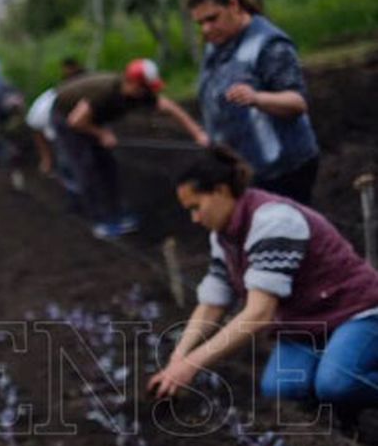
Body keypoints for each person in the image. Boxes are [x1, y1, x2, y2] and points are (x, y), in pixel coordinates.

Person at [148, 147, 378, 418]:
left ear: (221, 191)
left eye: (196, 207)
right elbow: (212, 303)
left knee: (337, 385)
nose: (195, 218)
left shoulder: (273, 222)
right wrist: (179, 357)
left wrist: (193, 364)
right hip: (309, 323)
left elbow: (259, 313)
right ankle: (341, 417)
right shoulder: (223, 236)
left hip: (357, 312)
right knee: (281, 388)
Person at [185, 0, 321, 204]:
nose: (206, 29)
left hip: (283, 171)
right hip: (242, 170)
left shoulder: (268, 44)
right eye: (200, 23)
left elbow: (297, 102)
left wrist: (257, 98)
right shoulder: (215, 44)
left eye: (212, 19)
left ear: (234, 5)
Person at [51, 58, 209, 239]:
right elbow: (76, 121)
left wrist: (197, 133)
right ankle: (101, 221)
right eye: (145, 88)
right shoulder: (106, 92)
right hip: (66, 117)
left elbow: (170, 108)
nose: (149, 93)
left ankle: (116, 212)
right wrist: (101, 134)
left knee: (107, 164)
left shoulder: (139, 92)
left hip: (91, 119)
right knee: (88, 167)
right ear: (133, 84)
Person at [25, 57, 85, 186]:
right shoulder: (71, 90)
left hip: (39, 116)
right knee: (64, 153)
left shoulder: (66, 86)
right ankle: (71, 183)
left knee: (54, 151)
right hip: (45, 118)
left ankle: (50, 164)